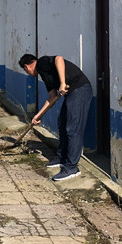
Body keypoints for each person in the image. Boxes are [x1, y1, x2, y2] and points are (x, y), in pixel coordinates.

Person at [18, 53, 92, 181]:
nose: (28, 73)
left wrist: (62, 83)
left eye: (26, 71)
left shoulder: (41, 63)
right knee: (62, 123)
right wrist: (38, 116)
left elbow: (59, 59)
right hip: (72, 93)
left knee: (73, 129)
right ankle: (61, 158)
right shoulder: (45, 76)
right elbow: (51, 98)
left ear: (26, 66)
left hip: (80, 89)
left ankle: (72, 168)